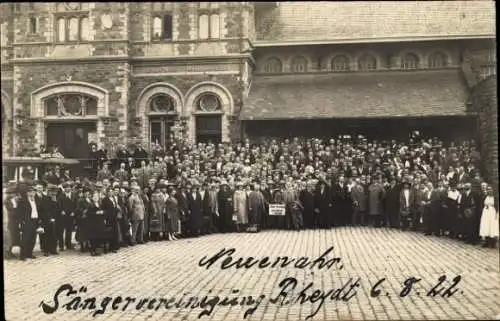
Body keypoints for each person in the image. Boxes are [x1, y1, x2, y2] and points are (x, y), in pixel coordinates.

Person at [17, 184, 42, 261]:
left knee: (33, 238)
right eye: (30, 192)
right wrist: (22, 221)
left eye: (33, 192)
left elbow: (38, 210)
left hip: (35, 220)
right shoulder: (23, 201)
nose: (32, 193)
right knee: (25, 238)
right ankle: (22, 255)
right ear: (27, 193)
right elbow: (19, 212)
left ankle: (29, 253)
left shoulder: (36, 200)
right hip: (27, 221)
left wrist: (39, 220)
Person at [40, 184, 60, 256]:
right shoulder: (45, 199)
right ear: (49, 192)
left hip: (55, 220)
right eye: (52, 192)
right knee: (46, 236)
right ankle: (46, 250)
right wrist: (49, 218)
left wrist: (55, 202)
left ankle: (53, 249)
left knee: (54, 235)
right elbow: (45, 210)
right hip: (47, 220)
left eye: (55, 192)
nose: (54, 193)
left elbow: (58, 209)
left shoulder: (55, 199)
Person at [57, 181, 76, 251]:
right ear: (64, 189)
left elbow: (76, 205)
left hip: (71, 215)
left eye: (69, 187)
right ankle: (61, 245)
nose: (68, 189)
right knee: (61, 231)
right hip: (63, 216)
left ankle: (68, 244)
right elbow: (58, 205)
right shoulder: (61, 196)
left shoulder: (74, 195)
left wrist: (74, 212)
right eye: (66, 188)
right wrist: (61, 210)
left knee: (69, 230)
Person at [3, 185, 20, 259]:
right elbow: (6, 212)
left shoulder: (13, 200)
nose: (13, 195)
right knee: (8, 237)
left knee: (14, 236)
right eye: (12, 193)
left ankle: (10, 251)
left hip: (15, 221)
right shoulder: (5, 201)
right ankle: (7, 252)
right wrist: (14, 212)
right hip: (9, 221)